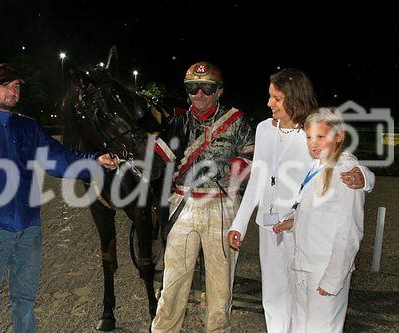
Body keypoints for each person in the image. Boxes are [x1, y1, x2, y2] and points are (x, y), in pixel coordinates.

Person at [0, 63, 118, 333]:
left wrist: (94, 159)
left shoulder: (29, 127)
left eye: (17, 86)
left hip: (29, 229)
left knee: (24, 299)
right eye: (6, 85)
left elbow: (60, 159)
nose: (14, 90)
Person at [227, 68, 374, 333]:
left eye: (277, 98)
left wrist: (365, 177)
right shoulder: (263, 129)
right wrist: (240, 222)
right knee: (272, 296)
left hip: (299, 228)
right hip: (268, 226)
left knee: (301, 301)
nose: (269, 103)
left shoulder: (312, 130)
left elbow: (339, 161)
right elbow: (258, 177)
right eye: (270, 97)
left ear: (295, 98)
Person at [151, 61, 254, 332]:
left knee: (220, 286)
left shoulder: (236, 120)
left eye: (207, 88)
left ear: (219, 91)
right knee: (172, 282)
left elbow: (252, 156)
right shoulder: (178, 122)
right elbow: (156, 161)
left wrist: (233, 170)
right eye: (193, 88)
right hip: (183, 204)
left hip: (221, 206)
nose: (199, 94)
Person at [273, 108, 364, 332]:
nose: (313, 144)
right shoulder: (318, 165)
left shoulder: (346, 174)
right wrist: (292, 221)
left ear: (339, 136)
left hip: (324, 269)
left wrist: (333, 279)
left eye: (320, 137)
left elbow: (349, 231)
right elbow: (317, 212)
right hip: (304, 263)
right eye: (309, 137)